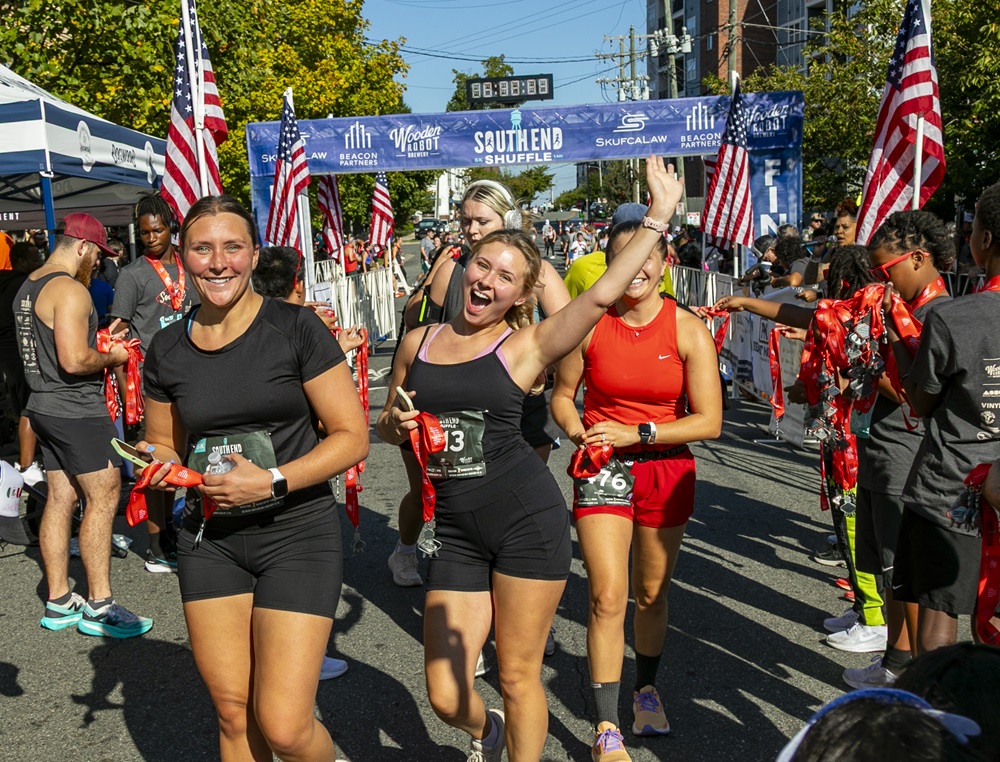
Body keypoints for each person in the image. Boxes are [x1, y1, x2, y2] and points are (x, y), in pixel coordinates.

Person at [377, 156, 682, 762]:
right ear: (464, 266)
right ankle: (486, 734)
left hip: (525, 525)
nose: (488, 279)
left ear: (522, 295)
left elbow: (597, 297)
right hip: (458, 533)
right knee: (443, 691)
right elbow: (387, 425)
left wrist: (659, 216)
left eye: (507, 276)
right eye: (482, 264)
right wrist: (395, 423)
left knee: (517, 676)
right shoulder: (419, 342)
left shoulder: (523, 347)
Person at [139, 195, 368, 760]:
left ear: (253, 253)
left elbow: (351, 436)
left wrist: (272, 480)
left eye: (232, 247)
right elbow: (161, 438)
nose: (218, 263)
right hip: (210, 540)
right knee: (234, 714)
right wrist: (158, 462)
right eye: (202, 248)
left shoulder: (296, 328)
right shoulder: (166, 347)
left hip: (296, 534)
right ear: (182, 255)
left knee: (285, 725)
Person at [551, 217, 722, 762]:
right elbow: (562, 396)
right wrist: (582, 434)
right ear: (611, 265)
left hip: (666, 467)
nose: (639, 267)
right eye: (627, 255)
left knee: (650, 594)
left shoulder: (687, 328)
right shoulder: (593, 324)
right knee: (605, 596)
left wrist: (640, 432)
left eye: (649, 254)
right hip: (604, 465)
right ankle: (606, 725)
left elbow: (709, 422)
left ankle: (645, 689)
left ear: (664, 262)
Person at [393, 179, 572, 589]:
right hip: (448, 407)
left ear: (507, 219)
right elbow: (418, 335)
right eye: (466, 220)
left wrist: (551, 369)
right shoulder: (452, 267)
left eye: (481, 220)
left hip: (517, 400)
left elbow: (569, 328)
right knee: (430, 497)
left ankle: (511, 591)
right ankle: (406, 550)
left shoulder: (537, 270)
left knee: (513, 502)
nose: (472, 230)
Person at [14, 212, 151, 637]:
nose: (97, 262)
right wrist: (116, 356)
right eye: (97, 253)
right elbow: (75, 360)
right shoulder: (70, 290)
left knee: (60, 498)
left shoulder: (28, 283)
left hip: (42, 405)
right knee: (103, 499)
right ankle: (100, 605)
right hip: (76, 410)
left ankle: (58, 600)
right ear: (82, 246)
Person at [886, 183, 1000, 656]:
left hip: (951, 487)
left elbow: (921, 402)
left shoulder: (955, 317)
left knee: (939, 611)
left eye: (971, 226)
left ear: (986, 239)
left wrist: (896, 339)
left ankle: (938, 720)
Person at [842, 211, 953, 688]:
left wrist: (871, 359)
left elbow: (917, 395)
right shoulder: (902, 310)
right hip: (879, 446)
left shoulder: (938, 316)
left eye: (887, 272)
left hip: (905, 455)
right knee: (887, 568)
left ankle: (908, 673)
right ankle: (894, 659)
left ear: (919, 258)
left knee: (900, 567)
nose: (881, 283)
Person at [110, 193, 199, 574]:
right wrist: (127, 391)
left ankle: (180, 528)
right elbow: (117, 333)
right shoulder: (132, 275)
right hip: (152, 383)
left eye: (157, 230)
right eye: (144, 233)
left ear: (170, 227)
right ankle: (157, 544)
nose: (150, 238)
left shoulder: (188, 264)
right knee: (157, 462)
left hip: (194, 374)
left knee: (190, 454)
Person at [563, 203, 675, 299]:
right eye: (626, 231)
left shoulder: (657, 264)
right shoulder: (583, 267)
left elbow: (670, 304)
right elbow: (563, 315)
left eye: (640, 233)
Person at [1, 242, 43, 485]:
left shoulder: (5, 283)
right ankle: (26, 465)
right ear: (22, 262)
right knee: (30, 406)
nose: (39, 264)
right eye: (35, 259)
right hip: (20, 352)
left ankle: (25, 457)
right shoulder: (22, 286)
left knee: (21, 406)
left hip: (6, 354)